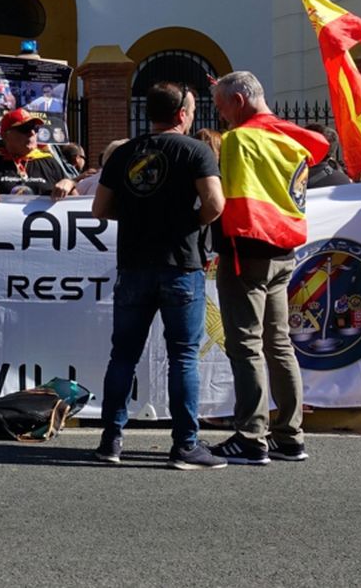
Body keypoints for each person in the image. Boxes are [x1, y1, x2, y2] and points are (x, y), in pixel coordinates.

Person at [91, 82, 226, 470]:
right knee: (183, 356)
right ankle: (185, 446)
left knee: (123, 355)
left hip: (133, 264)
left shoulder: (125, 152)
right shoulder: (195, 150)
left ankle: (111, 440)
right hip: (180, 264)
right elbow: (215, 204)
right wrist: (189, 222)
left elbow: (100, 209)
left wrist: (135, 218)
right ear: (182, 114)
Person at [209, 72, 328, 465]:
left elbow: (228, 198)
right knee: (279, 344)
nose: (220, 114)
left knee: (246, 344)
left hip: (248, 251)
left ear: (239, 101)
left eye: (222, 105)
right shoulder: (290, 137)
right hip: (284, 250)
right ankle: (290, 435)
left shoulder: (240, 139)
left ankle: (250, 435)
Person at [0, 108, 77, 201]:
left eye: (35, 128)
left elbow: (77, 199)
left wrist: (70, 183)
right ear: (5, 136)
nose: (31, 133)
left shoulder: (48, 160)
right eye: (25, 128)